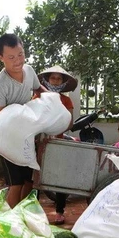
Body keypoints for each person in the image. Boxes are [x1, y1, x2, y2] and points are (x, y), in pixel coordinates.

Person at [0, 33, 47, 208]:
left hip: (26, 137)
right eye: (11, 57)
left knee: (29, 181)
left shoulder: (29, 71)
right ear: (1, 58)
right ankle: (10, 225)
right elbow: (0, 119)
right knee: (16, 184)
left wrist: (52, 99)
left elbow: (39, 89)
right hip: (5, 140)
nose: (18, 61)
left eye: (20, 54)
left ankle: (22, 217)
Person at [34, 65, 78, 224]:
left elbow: (69, 123)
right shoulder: (38, 97)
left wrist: (55, 129)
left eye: (59, 78)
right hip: (39, 141)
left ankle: (59, 211)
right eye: (52, 78)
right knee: (36, 177)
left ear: (63, 82)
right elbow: (33, 116)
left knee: (60, 177)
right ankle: (33, 211)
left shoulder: (66, 100)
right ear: (46, 80)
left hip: (58, 142)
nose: (55, 81)